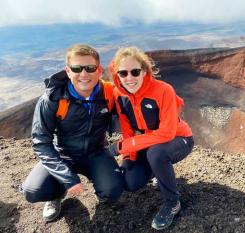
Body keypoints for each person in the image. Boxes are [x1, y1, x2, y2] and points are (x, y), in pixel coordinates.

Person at [20, 44, 124, 222]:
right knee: (33, 191)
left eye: (90, 68)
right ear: (68, 71)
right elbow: (41, 142)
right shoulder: (53, 98)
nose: (84, 74)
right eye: (77, 68)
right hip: (62, 154)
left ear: (99, 70)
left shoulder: (109, 93)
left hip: (96, 152)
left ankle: (103, 189)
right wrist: (67, 178)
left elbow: (135, 115)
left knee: (113, 190)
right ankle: (56, 194)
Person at [109, 46, 194, 230]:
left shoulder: (163, 90)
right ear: (117, 75)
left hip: (179, 139)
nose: (129, 78)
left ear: (144, 71)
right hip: (149, 142)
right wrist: (129, 156)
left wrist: (122, 146)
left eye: (135, 72)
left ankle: (172, 203)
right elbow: (128, 130)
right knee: (131, 183)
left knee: (157, 154)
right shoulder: (119, 94)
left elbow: (167, 133)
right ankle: (157, 172)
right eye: (123, 73)